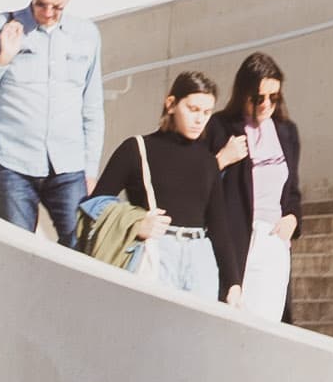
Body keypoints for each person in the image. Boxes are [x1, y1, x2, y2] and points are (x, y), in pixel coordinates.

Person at [0, 0, 102, 243]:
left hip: (68, 166)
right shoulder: (3, 25)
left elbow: (92, 106)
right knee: (20, 253)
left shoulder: (86, 35)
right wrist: (2, 59)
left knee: (81, 251)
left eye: (57, 6)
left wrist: (90, 169)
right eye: (41, 3)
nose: (48, 12)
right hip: (14, 164)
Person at [95, 70, 226, 303]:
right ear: (171, 104)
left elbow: (219, 224)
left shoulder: (207, 160)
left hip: (201, 256)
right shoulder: (137, 148)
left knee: (197, 336)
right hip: (157, 251)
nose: (200, 119)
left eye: (207, 112)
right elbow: (94, 205)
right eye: (193, 109)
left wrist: (233, 283)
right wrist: (136, 223)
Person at [208, 53, 307, 322]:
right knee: (233, 321)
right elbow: (199, 184)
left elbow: (293, 191)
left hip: (274, 241)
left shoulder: (287, 131)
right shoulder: (220, 127)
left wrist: (293, 219)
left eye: (273, 97)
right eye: (258, 98)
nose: (266, 105)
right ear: (243, 94)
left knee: (270, 325)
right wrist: (221, 160)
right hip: (238, 240)